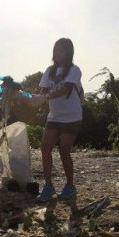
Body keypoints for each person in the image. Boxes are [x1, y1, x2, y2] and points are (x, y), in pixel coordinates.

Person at [31, 38, 84, 202]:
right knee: (45, 148)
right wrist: (24, 96)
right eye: (56, 50)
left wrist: (44, 97)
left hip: (72, 116)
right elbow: (42, 91)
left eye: (62, 51)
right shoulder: (49, 71)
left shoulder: (74, 70)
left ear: (69, 53)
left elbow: (65, 89)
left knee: (64, 150)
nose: (58, 54)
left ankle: (70, 186)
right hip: (54, 115)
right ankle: (48, 186)